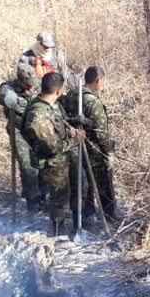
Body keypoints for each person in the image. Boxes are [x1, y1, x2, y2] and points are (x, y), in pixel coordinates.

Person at [22, 72, 86, 237]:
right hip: (53, 163)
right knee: (59, 198)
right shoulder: (38, 115)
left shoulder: (53, 106)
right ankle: (59, 231)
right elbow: (52, 147)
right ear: (58, 90)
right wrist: (75, 140)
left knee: (79, 186)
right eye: (63, 88)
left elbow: (61, 125)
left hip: (66, 157)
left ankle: (78, 223)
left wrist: (72, 131)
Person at [62, 66, 117, 221]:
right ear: (98, 80)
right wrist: (108, 152)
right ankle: (108, 216)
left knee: (83, 183)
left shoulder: (71, 95)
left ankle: (87, 214)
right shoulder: (92, 101)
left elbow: (62, 114)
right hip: (93, 150)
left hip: (74, 147)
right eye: (102, 82)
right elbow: (101, 132)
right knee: (103, 184)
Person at [0, 63, 44, 212]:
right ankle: (32, 201)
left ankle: (43, 197)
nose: (31, 88)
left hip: (37, 130)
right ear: (19, 80)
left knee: (42, 164)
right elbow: (3, 96)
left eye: (32, 84)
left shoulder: (37, 85)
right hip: (19, 131)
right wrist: (9, 99)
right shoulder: (8, 87)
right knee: (27, 166)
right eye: (27, 85)